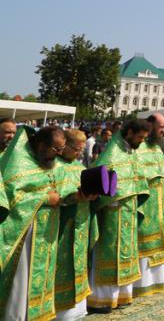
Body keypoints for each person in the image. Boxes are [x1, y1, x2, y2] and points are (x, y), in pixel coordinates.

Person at [1, 126, 93, 321]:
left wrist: (78, 196)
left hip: (48, 231)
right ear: (41, 145)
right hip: (26, 233)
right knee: (23, 280)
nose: (59, 154)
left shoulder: (53, 164)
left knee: (43, 278)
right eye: (55, 150)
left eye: (62, 150)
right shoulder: (19, 162)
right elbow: (11, 197)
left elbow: (62, 195)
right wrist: (43, 198)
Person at [88, 118, 151, 312]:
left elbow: (138, 177)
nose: (141, 141)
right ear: (129, 132)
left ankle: (123, 295)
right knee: (110, 249)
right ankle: (103, 298)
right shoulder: (112, 152)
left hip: (129, 209)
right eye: (139, 137)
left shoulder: (132, 151)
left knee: (126, 250)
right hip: (113, 210)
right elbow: (100, 179)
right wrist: (113, 195)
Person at [55, 128, 93, 320]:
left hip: (81, 224)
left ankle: (77, 308)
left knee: (79, 263)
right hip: (62, 228)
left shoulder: (79, 167)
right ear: (64, 146)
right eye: (76, 150)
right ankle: (60, 311)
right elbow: (56, 196)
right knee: (62, 266)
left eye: (81, 150)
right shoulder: (54, 165)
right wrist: (73, 197)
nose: (79, 154)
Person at [135, 113, 164, 299]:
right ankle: (141, 283)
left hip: (158, 201)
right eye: (161, 126)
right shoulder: (137, 146)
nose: (163, 130)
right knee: (143, 238)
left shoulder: (157, 147)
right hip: (145, 201)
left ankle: (156, 281)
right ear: (149, 125)